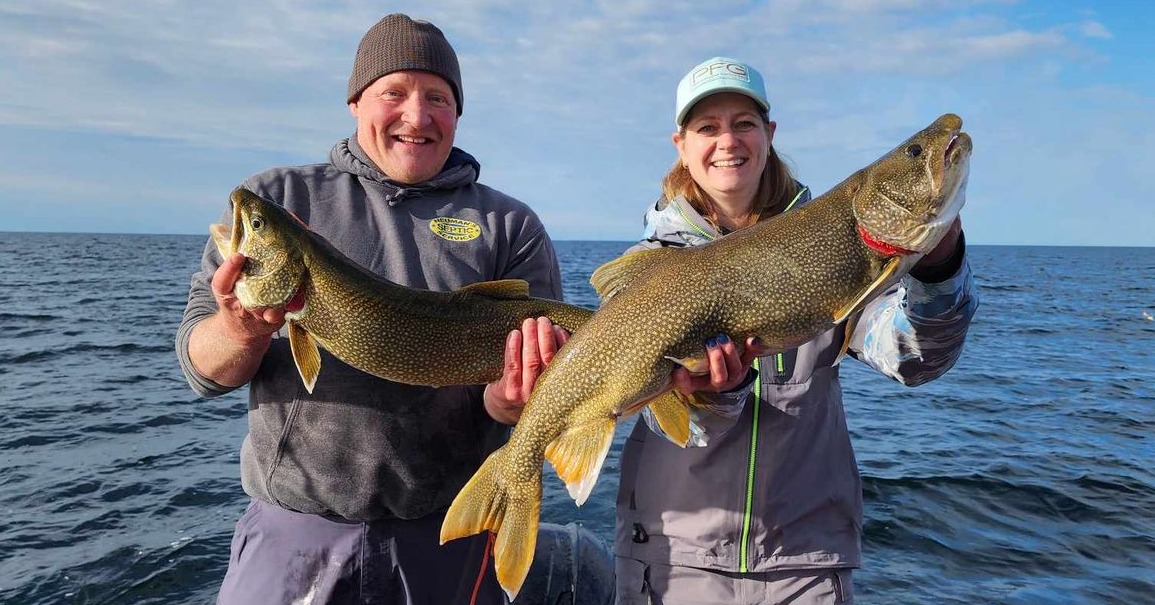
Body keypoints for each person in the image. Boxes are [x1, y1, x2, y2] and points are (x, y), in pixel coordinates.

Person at [176, 14, 570, 605]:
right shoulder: (282, 199)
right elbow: (201, 371)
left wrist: (510, 400)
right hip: (294, 534)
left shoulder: (509, 226)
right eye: (394, 92)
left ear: (457, 113)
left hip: (450, 531)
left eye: (437, 97)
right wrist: (240, 327)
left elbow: (537, 399)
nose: (417, 115)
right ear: (356, 102)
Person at [613, 57, 979, 605]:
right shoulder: (647, 270)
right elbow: (658, 416)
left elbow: (913, 357)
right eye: (707, 128)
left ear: (769, 134)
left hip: (805, 562)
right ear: (681, 144)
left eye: (744, 123)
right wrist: (714, 396)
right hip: (671, 558)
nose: (727, 141)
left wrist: (938, 264)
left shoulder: (837, 246)